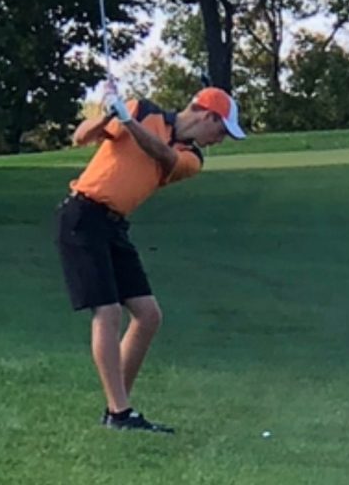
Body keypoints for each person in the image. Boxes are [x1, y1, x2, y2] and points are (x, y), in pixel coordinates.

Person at [54, 85, 245, 433]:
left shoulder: (192, 157)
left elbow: (163, 155)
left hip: (114, 226)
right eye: (221, 131)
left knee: (148, 315)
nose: (219, 140)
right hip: (82, 216)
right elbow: (80, 138)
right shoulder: (141, 109)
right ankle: (121, 412)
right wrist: (111, 113)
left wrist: (129, 122)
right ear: (207, 115)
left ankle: (117, 409)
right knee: (108, 311)